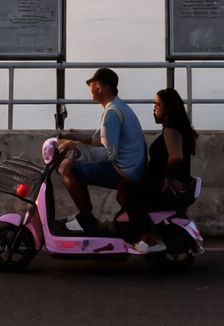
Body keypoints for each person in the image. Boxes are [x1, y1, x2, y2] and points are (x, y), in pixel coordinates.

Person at [55, 67, 146, 233]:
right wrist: (73, 139)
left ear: (106, 87)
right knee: (76, 166)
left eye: (95, 85)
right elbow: (99, 138)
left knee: (70, 170)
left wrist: (79, 153)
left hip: (124, 171)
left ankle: (85, 220)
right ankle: (83, 218)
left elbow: (110, 154)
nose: (92, 88)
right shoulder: (119, 106)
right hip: (133, 167)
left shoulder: (112, 112)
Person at [117, 87, 197, 253]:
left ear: (168, 107)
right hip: (170, 186)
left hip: (170, 189)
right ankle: (140, 230)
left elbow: (176, 156)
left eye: (157, 104)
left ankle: (152, 237)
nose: (154, 108)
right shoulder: (176, 129)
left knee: (132, 198)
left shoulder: (171, 130)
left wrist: (167, 178)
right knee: (124, 187)